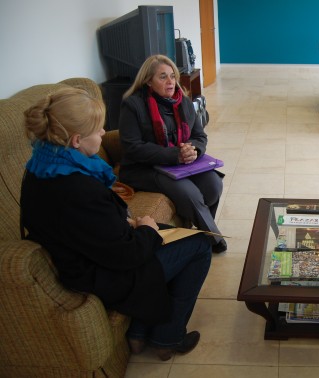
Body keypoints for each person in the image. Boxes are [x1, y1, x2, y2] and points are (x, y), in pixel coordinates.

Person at [20, 87, 212, 361]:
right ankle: (167, 337)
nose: (103, 134)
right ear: (76, 139)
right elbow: (126, 255)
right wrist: (146, 229)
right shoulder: (76, 189)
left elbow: (90, 227)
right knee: (200, 246)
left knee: (179, 236)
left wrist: (128, 223)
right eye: (98, 129)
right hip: (100, 272)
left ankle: (138, 331)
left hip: (89, 254)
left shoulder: (41, 165)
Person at [118, 54, 226, 253]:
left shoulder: (183, 102)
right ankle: (211, 240)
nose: (171, 82)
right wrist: (175, 155)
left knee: (214, 184)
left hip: (180, 163)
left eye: (172, 76)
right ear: (148, 81)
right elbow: (132, 147)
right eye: (163, 77)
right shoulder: (133, 105)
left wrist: (193, 149)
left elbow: (199, 135)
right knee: (189, 193)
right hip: (144, 168)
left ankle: (199, 230)